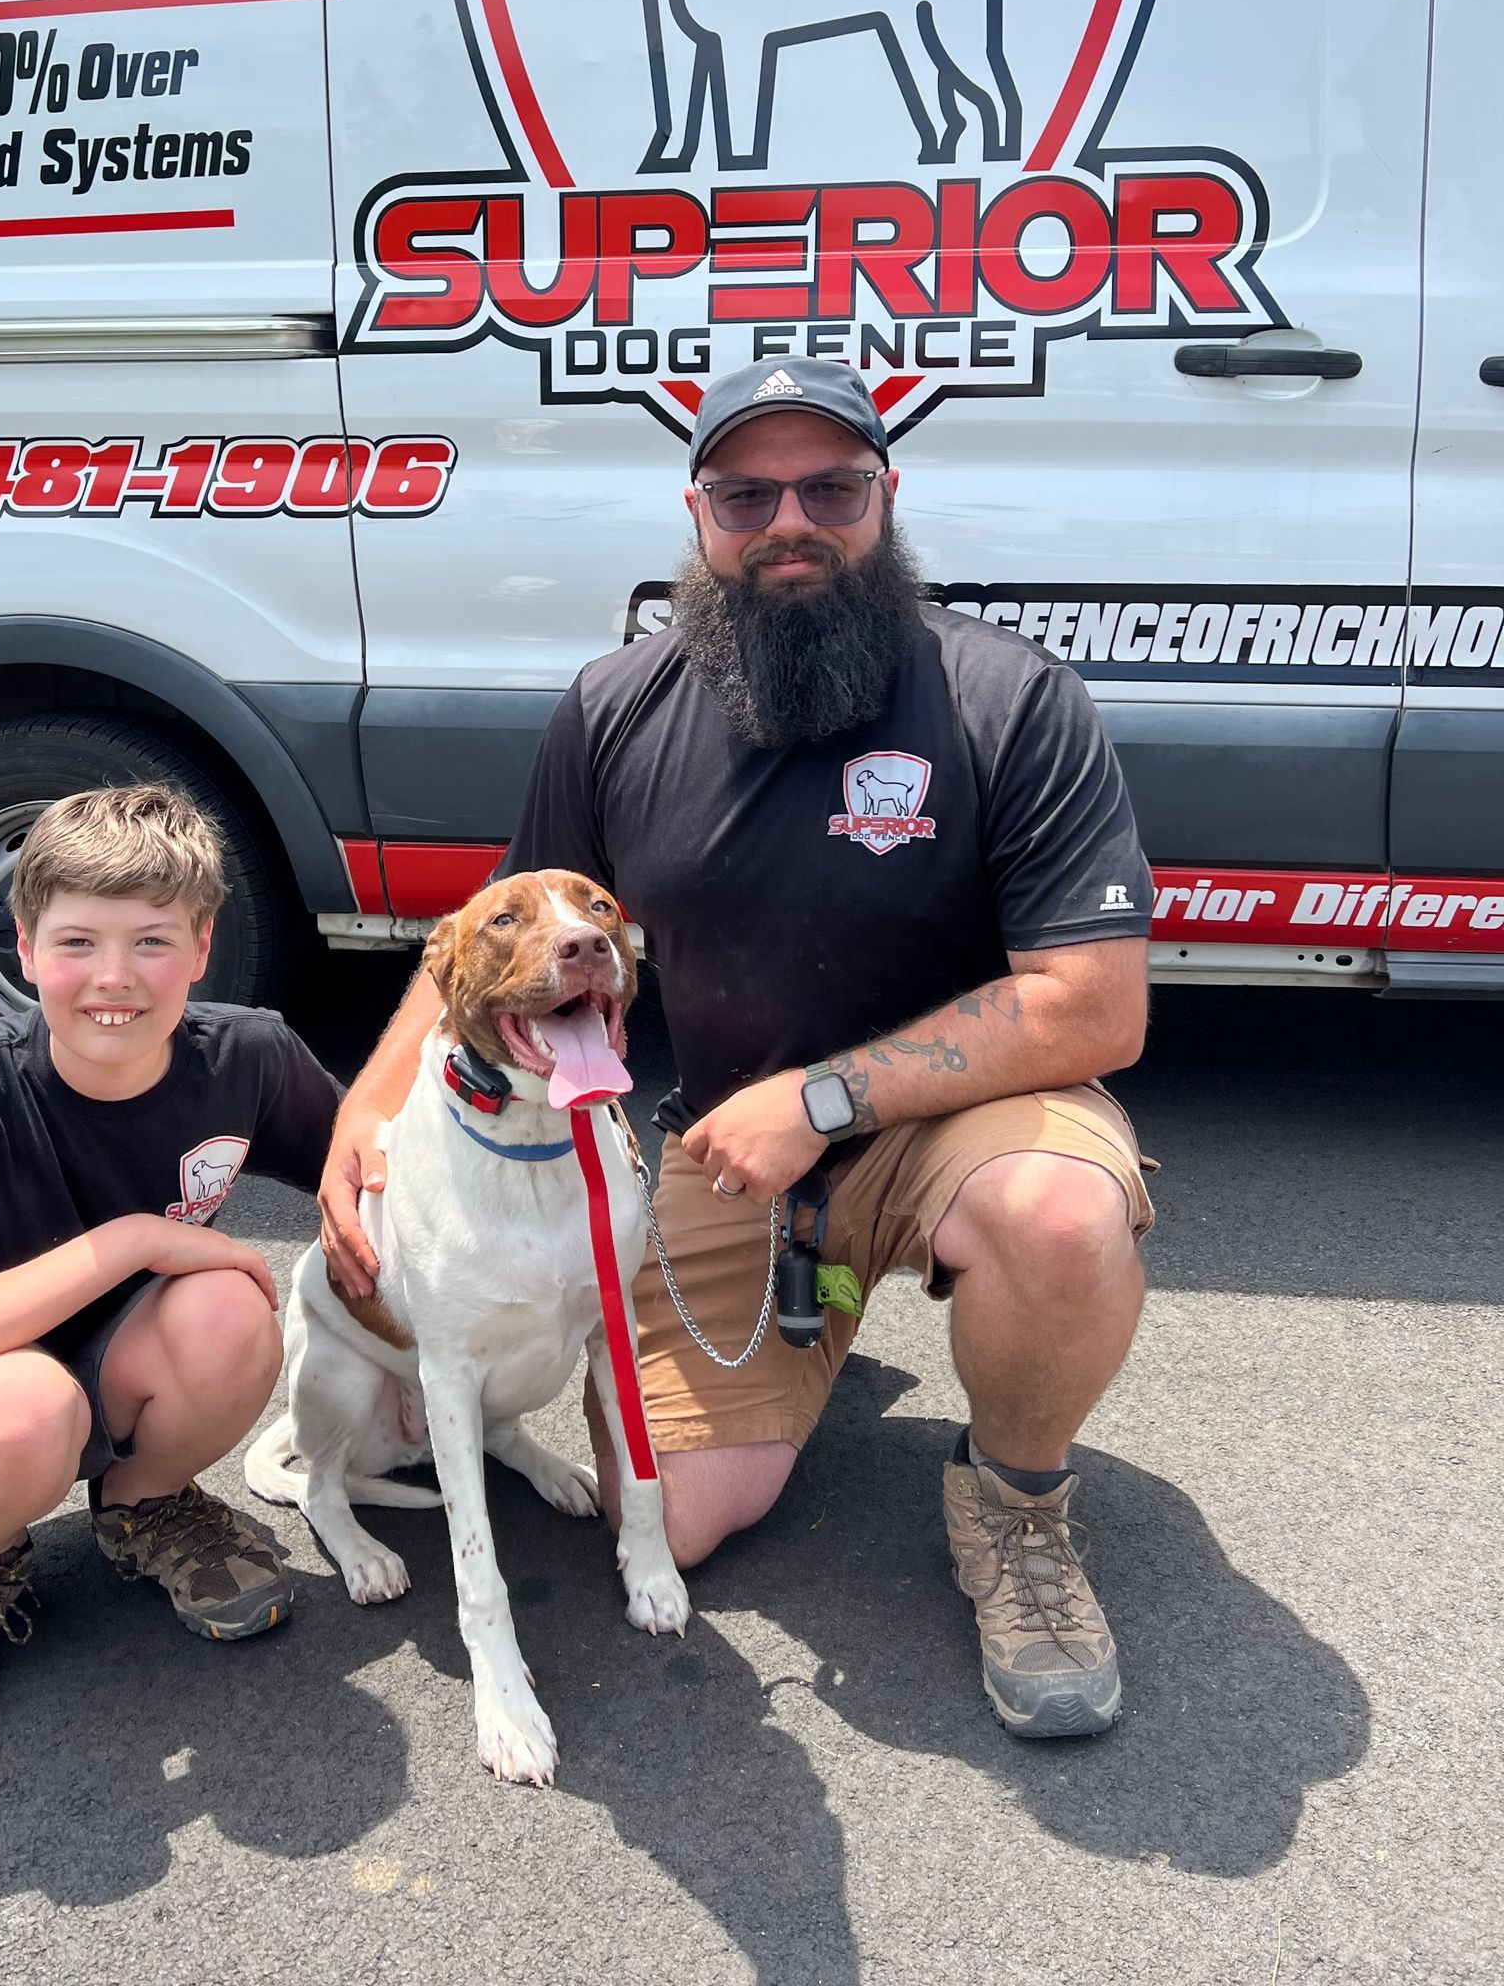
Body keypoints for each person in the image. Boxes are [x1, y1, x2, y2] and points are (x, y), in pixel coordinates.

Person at [321, 356, 1155, 1740]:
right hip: (734, 1156)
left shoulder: (1008, 699)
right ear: (697, 515)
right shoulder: (613, 706)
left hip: (950, 1129)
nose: (789, 522)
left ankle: (1017, 1510)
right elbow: (500, 942)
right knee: (680, 1519)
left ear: (887, 499)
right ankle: (818, 1305)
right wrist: (373, 1101)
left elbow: (1092, 1004)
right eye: (746, 494)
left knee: (1061, 1219)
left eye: (831, 488)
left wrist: (824, 1097)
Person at [0, 782, 338, 1744]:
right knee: (24, 1410)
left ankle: (144, 1501)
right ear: (26, 949)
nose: (114, 977)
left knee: (232, 1313)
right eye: (78, 943)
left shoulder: (249, 1057)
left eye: (152, 941)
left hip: (135, 1369)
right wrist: (133, 1241)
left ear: (202, 948)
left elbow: (373, 1176)